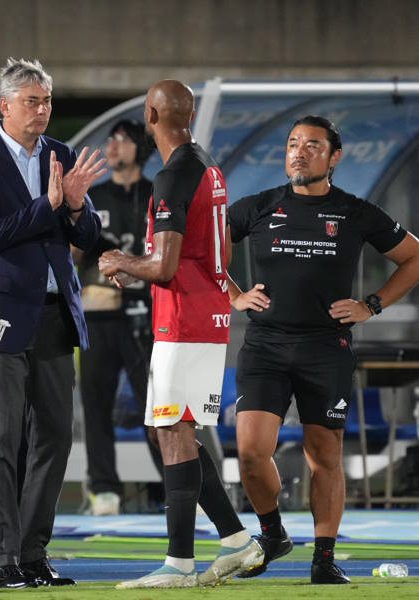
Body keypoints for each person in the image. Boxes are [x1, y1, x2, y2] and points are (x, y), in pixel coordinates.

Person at [227, 115, 419, 584]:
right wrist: (233, 294)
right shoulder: (258, 206)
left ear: (334, 158)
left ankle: (323, 558)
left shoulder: (355, 212)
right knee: (251, 453)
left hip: (324, 348)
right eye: (293, 143)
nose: (299, 151)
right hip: (265, 345)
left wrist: (370, 305)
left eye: (312, 145)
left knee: (323, 454)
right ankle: (273, 534)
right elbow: (204, 252)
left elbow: (414, 257)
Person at [99, 80, 263, 589]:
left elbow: (166, 266)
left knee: (172, 431)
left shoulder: (172, 176)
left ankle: (179, 565)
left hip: (184, 319)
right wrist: (143, 267)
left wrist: (122, 260)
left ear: (150, 114)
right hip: (203, 315)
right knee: (173, 430)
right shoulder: (207, 166)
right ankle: (237, 541)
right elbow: (218, 254)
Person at [0, 58, 104, 589]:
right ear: (5, 107)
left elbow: (87, 236)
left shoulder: (61, 154)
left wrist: (80, 209)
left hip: (55, 315)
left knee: (55, 438)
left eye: (47, 101)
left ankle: (33, 554)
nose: (43, 111)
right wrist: (51, 205)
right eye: (33, 102)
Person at [75, 118, 162, 515]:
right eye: (110, 140)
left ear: (141, 148)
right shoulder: (92, 196)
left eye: (123, 140)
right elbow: (74, 253)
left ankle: (174, 485)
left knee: (156, 406)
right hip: (98, 313)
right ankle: (104, 490)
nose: (113, 147)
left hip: (147, 315)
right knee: (96, 404)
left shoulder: (156, 194)